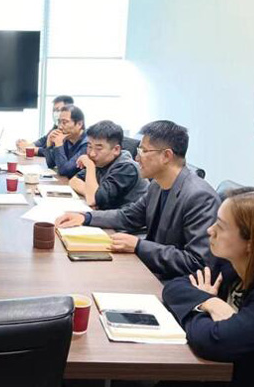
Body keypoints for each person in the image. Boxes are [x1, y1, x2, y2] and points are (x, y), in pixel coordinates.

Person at [56, 120, 220, 280]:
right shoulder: (157, 185)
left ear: (166, 156)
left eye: (143, 151)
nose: (136, 158)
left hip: (172, 282)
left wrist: (139, 246)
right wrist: (86, 217)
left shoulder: (199, 196)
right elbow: (128, 216)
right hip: (152, 269)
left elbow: (197, 263)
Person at [162, 187, 254, 387]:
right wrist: (210, 302)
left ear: (251, 243)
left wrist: (197, 309)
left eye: (220, 226)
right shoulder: (231, 264)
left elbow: (214, 341)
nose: (210, 231)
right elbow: (175, 287)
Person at [69, 120, 148, 209]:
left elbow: (92, 199)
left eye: (99, 148)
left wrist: (90, 166)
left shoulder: (126, 167)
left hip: (128, 216)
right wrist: (89, 192)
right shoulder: (101, 162)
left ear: (116, 150)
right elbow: (73, 181)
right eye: (90, 146)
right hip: (109, 213)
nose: (92, 154)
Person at [43, 105, 88, 177]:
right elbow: (51, 164)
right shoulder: (67, 137)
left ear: (79, 124)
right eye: (59, 122)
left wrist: (59, 144)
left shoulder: (88, 144)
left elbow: (65, 171)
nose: (60, 127)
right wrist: (49, 144)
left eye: (64, 122)